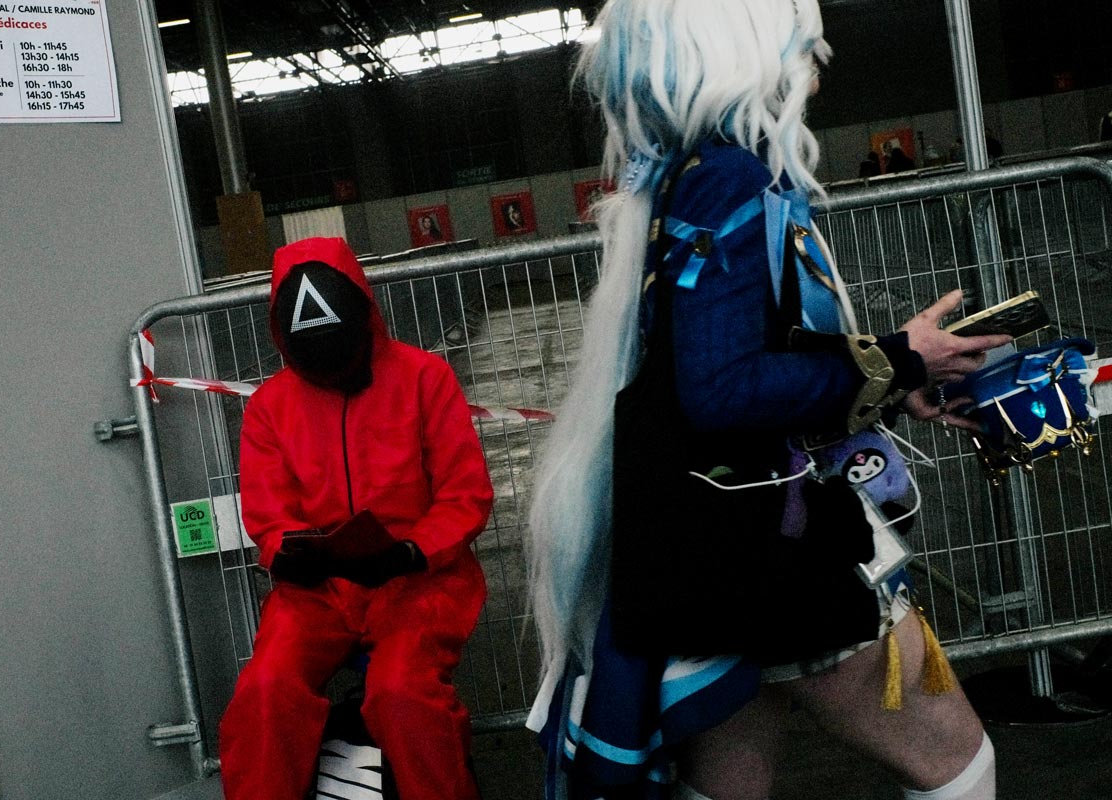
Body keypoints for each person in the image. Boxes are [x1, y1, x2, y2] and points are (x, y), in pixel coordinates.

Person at [525, 2, 1009, 799]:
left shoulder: (692, 177)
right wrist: (896, 357)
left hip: (718, 554)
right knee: (958, 761)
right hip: (771, 549)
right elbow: (720, 388)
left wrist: (896, 378)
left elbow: (745, 359)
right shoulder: (731, 179)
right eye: (800, 45)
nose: (817, 66)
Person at [218, 237, 494, 800]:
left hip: (417, 580)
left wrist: (411, 551)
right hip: (319, 591)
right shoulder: (270, 407)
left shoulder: (424, 379)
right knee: (265, 691)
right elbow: (269, 513)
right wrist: (286, 551)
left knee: (402, 693)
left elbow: (464, 494)